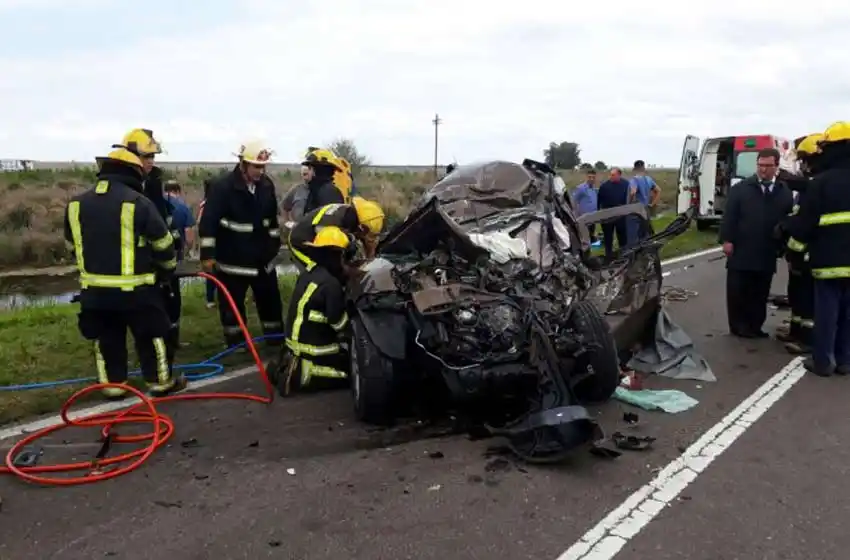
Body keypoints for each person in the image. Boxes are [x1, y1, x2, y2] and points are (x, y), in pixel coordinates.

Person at [64, 132, 186, 400]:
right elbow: (164, 245)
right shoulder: (137, 202)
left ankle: (113, 387)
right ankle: (160, 383)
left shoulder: (75, 204)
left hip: (94, 293)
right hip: (138, 292)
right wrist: (165, 272)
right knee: (152, 336)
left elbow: (73, 246)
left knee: (107, 340)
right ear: (132, 170)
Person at [198, 141, 284, 348]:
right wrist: (208, 255)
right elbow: (208, 222)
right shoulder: (223, 187)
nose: (260, 172)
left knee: (270, 303)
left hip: (262, 260)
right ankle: (236, 344)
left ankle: (275, 342)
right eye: (256, 167)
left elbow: (271, 222)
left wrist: (273, 248)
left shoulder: (266, 185)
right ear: (243, 164)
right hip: (233, 260)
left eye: (263, 167)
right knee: (232, 306)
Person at [784, 122, 850, 376]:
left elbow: (804, 225)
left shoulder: (821, 183)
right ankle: (844, 361)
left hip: (828, 262)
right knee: (847, 315)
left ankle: (822, 362)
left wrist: (794, 252)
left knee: (826, 313)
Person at [719, 147, 794, 339]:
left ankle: (755, 326)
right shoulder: (741, 190)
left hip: (767, 250)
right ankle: (738, 326)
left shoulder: (784, 193)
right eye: (760, 165)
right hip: (742, 249)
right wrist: (727, 240)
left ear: (777, 166)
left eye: (768, 166)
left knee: (760, 292)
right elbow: (729, 217)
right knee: (738, 291)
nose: (763, 170)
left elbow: (789, 217)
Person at [278, 225, 352, 394]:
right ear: (337, 254)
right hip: (315, 352)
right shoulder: (331, 284)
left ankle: (287, 364)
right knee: (351, 374)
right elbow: (339, 325)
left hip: (295, 346)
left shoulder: (309, 273)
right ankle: (301, 374)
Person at [776, 134, 824, 354]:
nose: (801, 165)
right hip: (797, 252)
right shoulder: (811, 185)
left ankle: (808, 339)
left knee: (807, 299)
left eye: (803, 159)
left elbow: (808, 221)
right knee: (796, 295)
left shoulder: (819, 185)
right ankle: (796, 331)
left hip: (809, 253)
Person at [288, 198, 385, 273]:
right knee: (318, 274)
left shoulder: (353, 214)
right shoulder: (332, 224)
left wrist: (371, 263)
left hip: (320, 236)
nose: (367, 237)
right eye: (367, 233)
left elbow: (367, 244)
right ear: (361, 227)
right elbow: (328, 254)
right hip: (301, 242)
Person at [596, 167, 631, 258]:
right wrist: (599, 215)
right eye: (610, 175)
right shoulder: (604, 186)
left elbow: (629, 199)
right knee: (608, 238)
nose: (611, 177)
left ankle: (624, 255)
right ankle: (609, 257)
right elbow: (599, 201)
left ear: (619, 175)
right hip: (607, 217)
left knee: (623, 237)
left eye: (613, 175)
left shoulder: (626, 184)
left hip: (621, 216)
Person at [302, 148, 346, 214]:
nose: (308, 171)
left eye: (310, 168)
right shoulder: (317, 189)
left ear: (316, 170)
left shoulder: (328, 192)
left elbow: (329, 221)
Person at [627, 160, 661, 243]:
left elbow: (633, 192)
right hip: (646, 209)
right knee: (646, 232)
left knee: (635, 234)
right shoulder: (649, 179)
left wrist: (629, 203)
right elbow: (659, 190)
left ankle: (636, 252)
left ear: (634, 169)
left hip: (637, 210)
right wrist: (652, 204)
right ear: (643, 168)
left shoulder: (634, 180)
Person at [198, 178, 217, 308]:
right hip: (213, 244)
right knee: (214, 272)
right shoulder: (209, 205)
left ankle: (211, 300)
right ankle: (212, 300)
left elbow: (198, 223)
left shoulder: (204, 204)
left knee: (211, 273)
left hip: (208, 244)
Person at [571, 169, 599, 242]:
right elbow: (574, 201)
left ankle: (591, 248)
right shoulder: (580, 188)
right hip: (583, 217)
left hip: (593, 216)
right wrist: (576, 215)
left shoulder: (594, 188)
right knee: (584, 237)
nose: (591, 179)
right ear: (586, 177)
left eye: (593, 177)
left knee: (591, 234)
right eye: (589, 177)